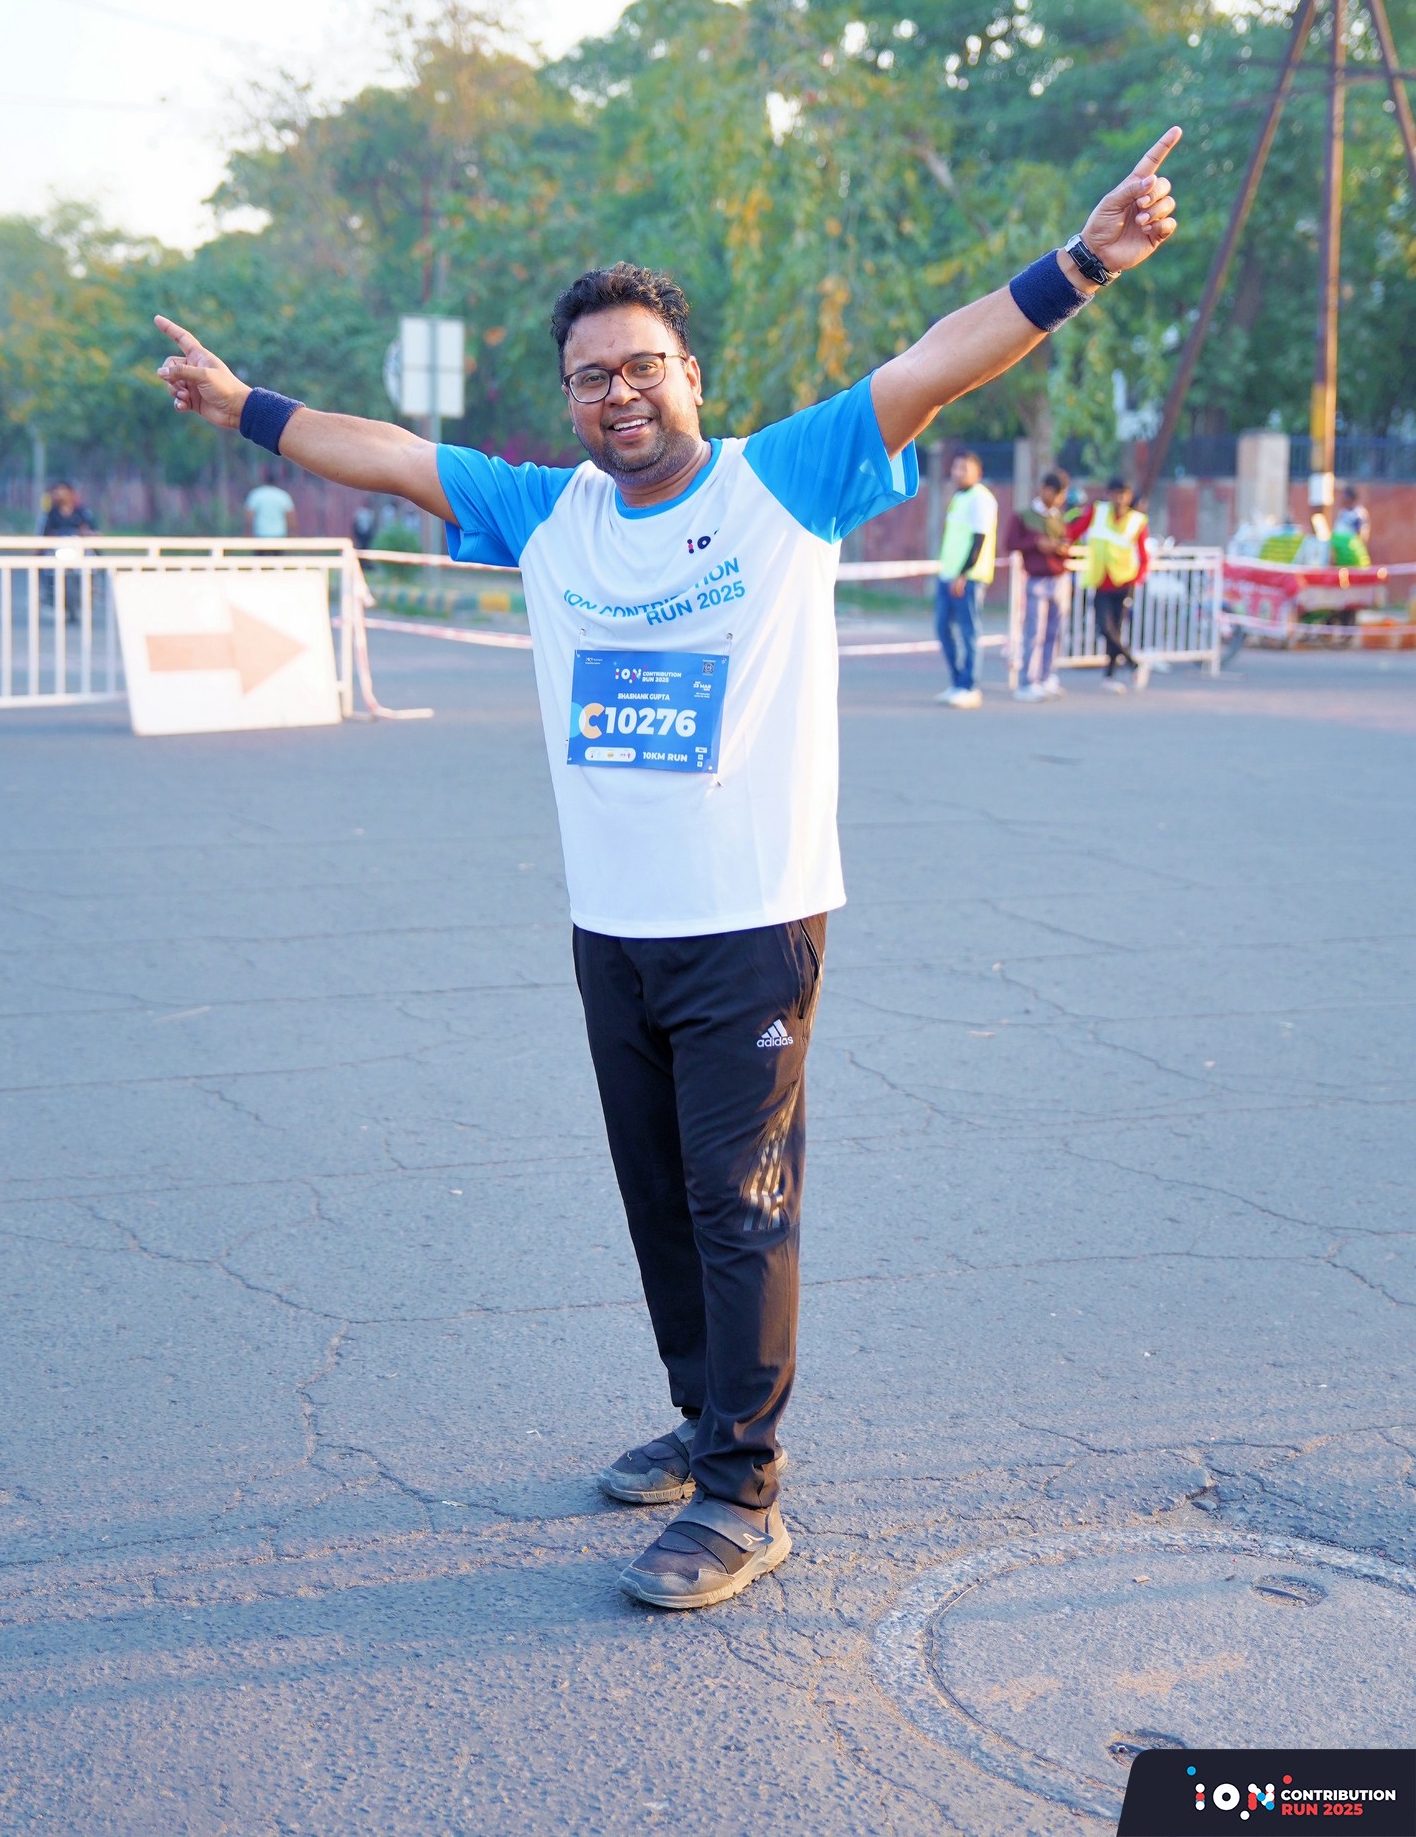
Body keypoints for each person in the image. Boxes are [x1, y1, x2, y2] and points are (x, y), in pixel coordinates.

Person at [153, 126, 1181, 1611]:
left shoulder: (784, 481)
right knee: (658, 1199)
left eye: (643, 365)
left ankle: (743, 1495)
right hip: (612, 925)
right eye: (590, 375)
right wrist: (244, 404)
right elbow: (384, 453)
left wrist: (1083, 263)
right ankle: (706, 1418)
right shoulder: (547, 513)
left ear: (690, 375)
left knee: (736, 1201)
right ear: (569, 399)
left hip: (750, 920)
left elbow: (937, 363)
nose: (618, 391)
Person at [1066, 477, 1151, 692]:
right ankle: (1133, 662)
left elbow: (1144, 555)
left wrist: (1137, 578)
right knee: (1105, 627)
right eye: (1116, 494)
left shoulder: (1136, 521)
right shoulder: (1098, 512)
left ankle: (1110, 675)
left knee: (1116, 629)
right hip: (1101, 580)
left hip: (1124, 582)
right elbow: (1074, 531)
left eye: (1123, 494)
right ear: (1108, 494)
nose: (1119, 499)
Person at [935, 449, 998, 709]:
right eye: (956, 468)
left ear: (977, 473)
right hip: (947, 574)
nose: (958, 473)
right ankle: (958, 681)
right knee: (942, 629)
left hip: (967, 578)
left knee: (968, 631)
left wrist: (963, 574)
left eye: (964, 469)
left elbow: (979, 539)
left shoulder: (981, 499)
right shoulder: (959, 497)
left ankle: (970, 685)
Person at [1005, 468, 1071, 702]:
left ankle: (1046, 676)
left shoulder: (1059, 517)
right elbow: (1010, 542)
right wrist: (1036, 543)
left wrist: (1060, 548)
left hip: (1059, 579)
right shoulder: (1024, 516)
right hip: (1036, 579)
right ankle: (1028, 681)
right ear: (1044, 490)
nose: (1059, 499)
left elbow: (1067, 542)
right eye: (1056, 494)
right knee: (1034, 633)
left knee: (1054, 631)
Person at [39, 479, 97, 622]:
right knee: (44, 564)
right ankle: (47, 590)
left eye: (63, 491)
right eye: (57, 492)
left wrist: (87, 534)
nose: (60, 494)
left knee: (92, 561)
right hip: (58, 550)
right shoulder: (51, 514)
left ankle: (93, 588)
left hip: (79, 549)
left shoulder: (82, 513)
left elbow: (94, 531)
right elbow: (44, 534)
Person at [244, 464, 297, 543]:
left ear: (264, 479)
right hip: (279, 535)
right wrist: (293, 536)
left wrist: (248, 535)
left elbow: (249, 517)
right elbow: (290, 518)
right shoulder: (283, 495)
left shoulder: (256, 494)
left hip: (261, 535)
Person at [1333, 483, 1370, 547]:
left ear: (1350, 498)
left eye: (1344, 496)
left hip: (1350, 548)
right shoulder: (1343, 512)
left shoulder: (1358, 513)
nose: (1342, 498)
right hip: (1339, 547)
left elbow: (1360, 533)